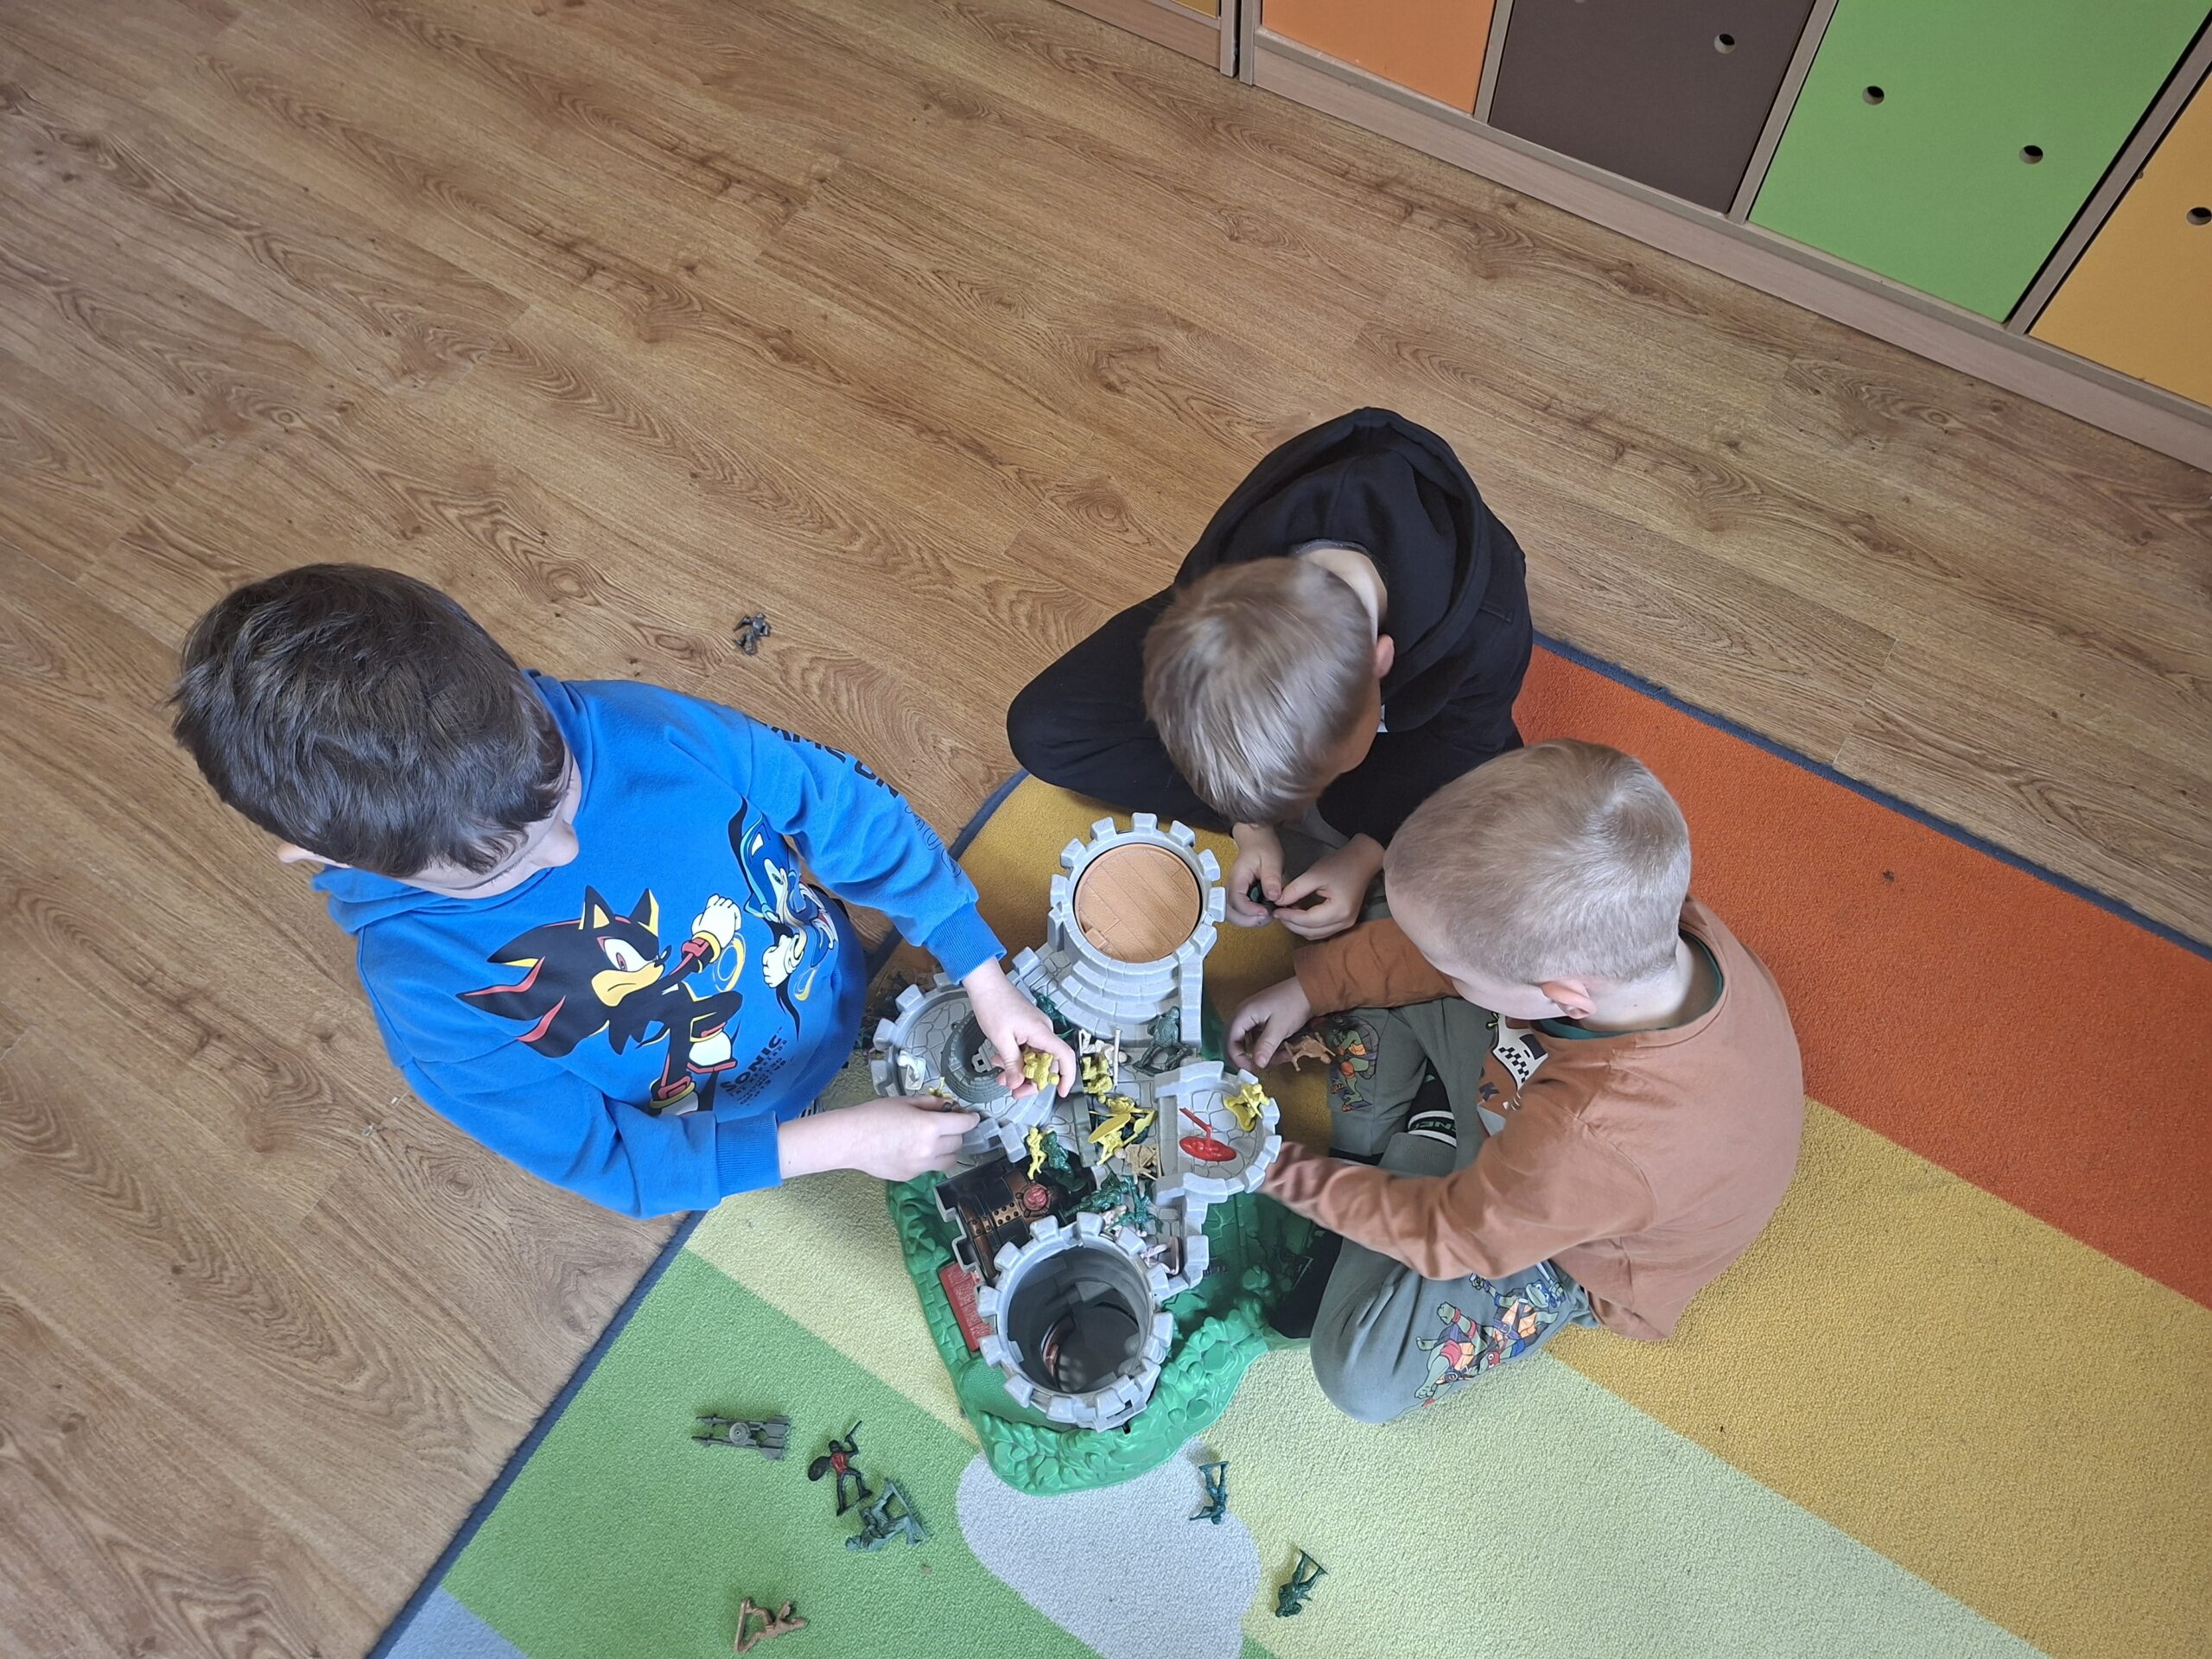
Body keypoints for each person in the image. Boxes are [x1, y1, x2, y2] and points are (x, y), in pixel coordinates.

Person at [170, 565, 1074, 1217]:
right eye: (507, 866)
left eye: (561, 791)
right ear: (313, 853)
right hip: (736, 1127)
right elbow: (607, 1160)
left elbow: (845, 812)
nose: (567, 851)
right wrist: (843, 1144)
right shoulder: (426, 986)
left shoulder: (646, 729)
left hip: (834, 977)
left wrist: (979, 970)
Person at [1225, 741, 1803, 1422]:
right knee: (1393, 906)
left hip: (1564, 1239)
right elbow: (1445, 950)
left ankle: (1412, 1142)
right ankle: (1421, 1134)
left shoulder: (1597, 1138)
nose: (1443, 971)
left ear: (1562, 994)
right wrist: (1312, 986)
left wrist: (1274, 1168)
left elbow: (1457, 1233)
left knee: (1361, 1378)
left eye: (1453, 972)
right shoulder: (1640, 921)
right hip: (1541, 1118)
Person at [1007, 408, 1531, 941]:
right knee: (1042, 730)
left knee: (1511, 820)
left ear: (1382, 661)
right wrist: (1249, 826)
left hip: (1430, 710)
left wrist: (1367, 852)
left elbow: (1465, 743)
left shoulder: (1491, 628)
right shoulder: (1218, 576)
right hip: (1242, 635)